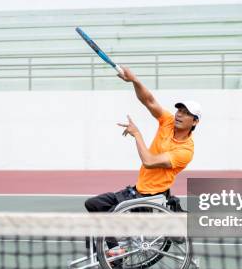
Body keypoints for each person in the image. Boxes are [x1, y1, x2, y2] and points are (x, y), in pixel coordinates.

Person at [84, 65, 201, 215]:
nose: (179, 115)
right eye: (179, 110)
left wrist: (137, 134)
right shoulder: (168, 122)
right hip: (138, 190)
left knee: (111, 216)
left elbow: (149, 161)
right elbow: (149, 101)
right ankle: (110, 237)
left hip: (151, 196)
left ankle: (113, 238)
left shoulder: (185, 151)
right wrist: (135, 80)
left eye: (185, 113)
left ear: (195, 122)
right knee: (93, 204)